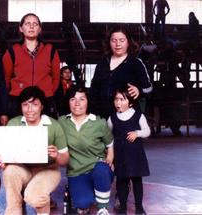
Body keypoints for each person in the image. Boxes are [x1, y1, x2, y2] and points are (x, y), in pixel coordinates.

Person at [2, 86, 69, 215]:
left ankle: (43, 205)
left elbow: (65, 159)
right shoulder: (13, 123)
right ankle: (14, 209)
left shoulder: (53, 125)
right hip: (23, 168)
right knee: (9, 170)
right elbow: (6, 154)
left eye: (34, 104)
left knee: (34, 196)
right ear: (20, 107)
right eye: (25, 105)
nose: (30, 110)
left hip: (48, 169)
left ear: (42, 106)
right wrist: (2, 161)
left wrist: (57, 155)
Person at [58, 85, 114, 215]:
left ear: (88, 101)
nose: (77, 103)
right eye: (73, 99)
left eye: (82, 99)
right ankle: (89, 193)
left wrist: (109, 160)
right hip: (77, 172)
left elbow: (110, 144)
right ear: (68, 102)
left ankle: (102, 209)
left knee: (102, 169)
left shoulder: (98, 122)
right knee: (83, 205)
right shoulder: (62, 122)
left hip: (98, 170)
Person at [2, 13, 60, 119]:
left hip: (45, 100)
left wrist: (47, 91)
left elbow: (56, 79)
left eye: (35, 24)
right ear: (21, 28)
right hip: (18, 101)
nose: (31, 26)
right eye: (27, 23)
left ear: (39, 29)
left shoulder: (50, 50)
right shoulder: (12, 51)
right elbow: (5, 80)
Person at [90, 24, 152, 121]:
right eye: (114, 41)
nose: (117, 44)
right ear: (109, 43)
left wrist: (138, 90)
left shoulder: (135, 63)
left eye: (122, 41)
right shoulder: (102, 63)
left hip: (126, 119)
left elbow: (148, 88)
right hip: (102, 117)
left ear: (128, 43)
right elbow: (94, 89)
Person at [107, 86, 150, 215]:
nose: (118, 103)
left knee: (137, 182)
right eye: (116, 99)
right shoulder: (112, 118)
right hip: (121, 156)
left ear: (131, 102)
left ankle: (139, 208)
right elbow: (108, 137)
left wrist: (138, 133)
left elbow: (148, 131)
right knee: (121, 183)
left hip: (136, 156)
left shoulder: (138, 116)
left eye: (122, 99)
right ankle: (122, 208)